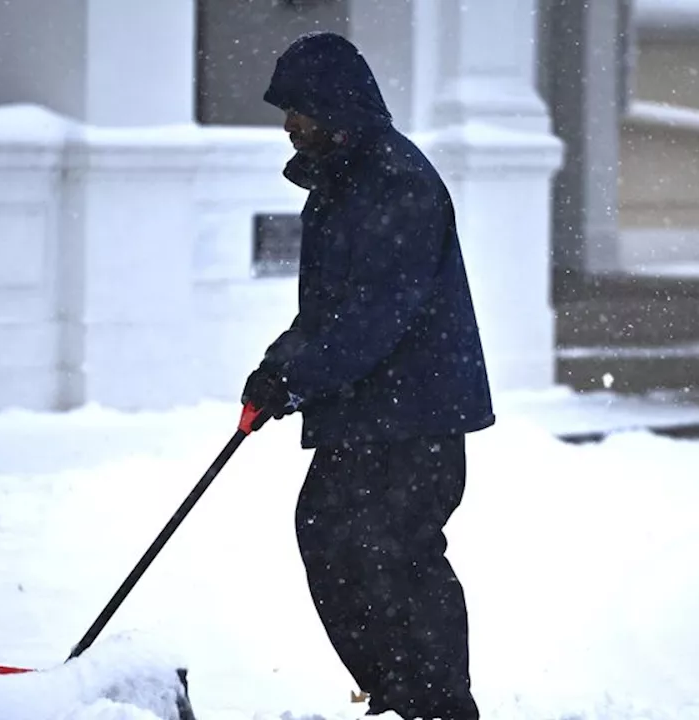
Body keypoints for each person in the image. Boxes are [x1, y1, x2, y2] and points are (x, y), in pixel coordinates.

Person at [239, 31, 495, 720]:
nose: (289, 125)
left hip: (415, 414)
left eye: (299, 109)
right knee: (336, 537)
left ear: (336, 105)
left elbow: (373, 316)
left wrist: (295, 378)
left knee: (399, 554)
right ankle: (406, 693)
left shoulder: (394, 182)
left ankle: (437, 704)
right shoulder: (346, 181)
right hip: (373, 408)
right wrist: (277, 369)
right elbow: (331, 309)